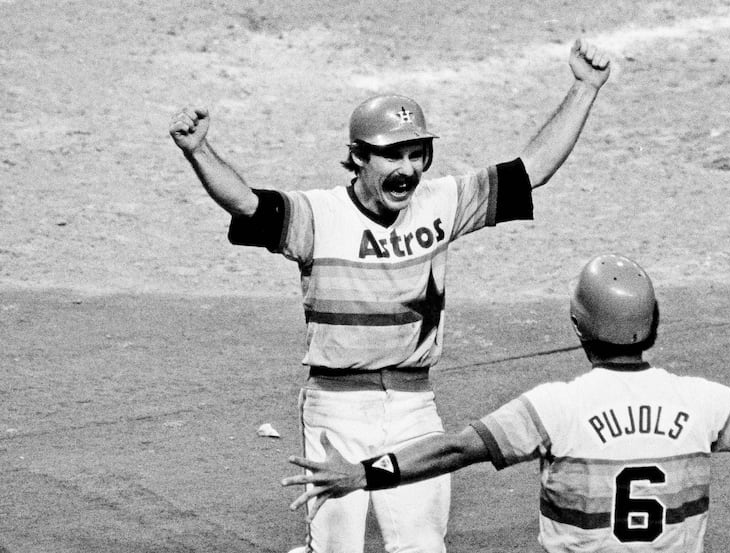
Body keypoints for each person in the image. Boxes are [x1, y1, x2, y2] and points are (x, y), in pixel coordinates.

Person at [170, 38, 610, 553]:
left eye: (415, 154)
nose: (407, 169)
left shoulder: (443, 201)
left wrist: (584, 88)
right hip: (336, 408)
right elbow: (247, 204)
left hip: (413, 405)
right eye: (391, 155)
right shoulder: (318, 216)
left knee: (422, 545)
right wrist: (198, 151)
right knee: (336, 547)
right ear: (358, 157)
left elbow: (531, 170)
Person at [282, 253, 730, 553]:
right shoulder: (708, 402)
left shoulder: (554, 409)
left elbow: (453, 450)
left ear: (577, 328)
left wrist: (363, 473)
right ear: (654, 325)